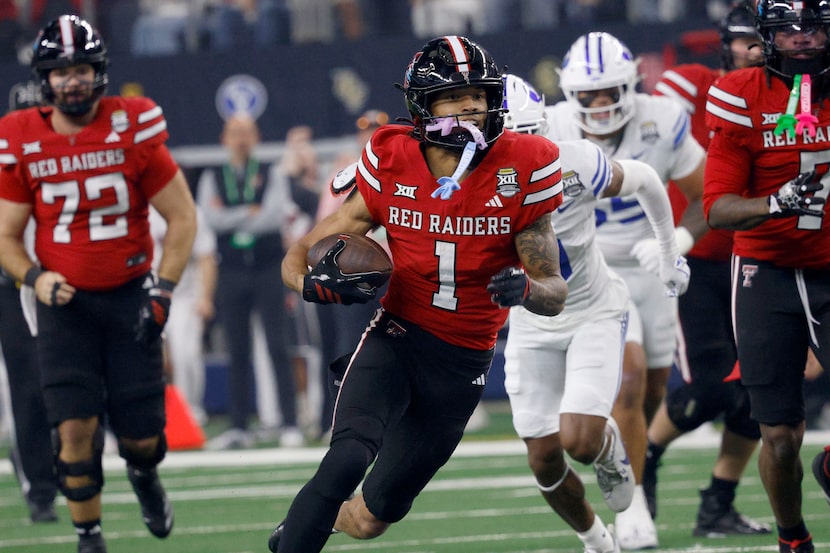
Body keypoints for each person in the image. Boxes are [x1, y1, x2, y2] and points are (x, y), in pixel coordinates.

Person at [269, 35, 569, 553]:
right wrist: (311, 286)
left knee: (373, 517)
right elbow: (297, 257)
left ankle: (311, 526)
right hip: (396, 339)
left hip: (462, 366)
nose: (471, 105)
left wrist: (526, 288)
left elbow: (555, 291)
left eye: (477, 93)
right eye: (454, 96)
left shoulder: (524, 163)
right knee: (344, 460)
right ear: (423, 105)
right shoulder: (392, 157)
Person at [0, 14, 197, 553]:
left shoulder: (131, 125)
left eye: (82, 68)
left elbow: (182, 216)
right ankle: (90, 538)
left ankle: (143, 475)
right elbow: (6, 236)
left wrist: (164, 288)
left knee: (142, 439)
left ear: (100, 72)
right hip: (64, 304)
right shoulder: (22, 137)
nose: (72, 81)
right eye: (61, 71)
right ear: (44, 79)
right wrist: (35, 278)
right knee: (74, 430)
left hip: (130, 294)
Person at [501, 73, 690, 553]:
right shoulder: (457, 189)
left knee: (581, 441)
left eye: (531, 135)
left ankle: (609, 449)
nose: (525, 152)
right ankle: (595, 539)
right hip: (531, 323)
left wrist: (670, 252)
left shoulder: (573, 160)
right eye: (510, 140)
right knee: (543, 457)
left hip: (592, 310)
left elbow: (646, 180)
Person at [549, 31, 709, 549]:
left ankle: (636, 470)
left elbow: (708, 195)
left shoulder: (660, 119)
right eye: (588, 95)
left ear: (631, 84)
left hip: (651, 265)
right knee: (630, 379)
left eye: (608, 92)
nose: (598, 105)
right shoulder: (549, 126)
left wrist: (676, 241)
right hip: (591, 271)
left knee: (654, 389)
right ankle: (633, 503)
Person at [703, 1, 830, 552]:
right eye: (789, 30)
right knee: (778, 435)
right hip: (766, 268)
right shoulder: (739, 93)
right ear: (767, 35)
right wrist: (776, 200)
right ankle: (792, 540)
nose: (802, 40)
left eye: (815, 28)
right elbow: (718, 208)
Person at [644, 2, 772, 540]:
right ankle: (643, 456)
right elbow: (653, 110)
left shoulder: (787, 98)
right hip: (692, 258)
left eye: (759, 41)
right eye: (745, 41)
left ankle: (718, 503)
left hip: (757, 256)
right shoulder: (694, 84)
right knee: (711, 393)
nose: (752, 51)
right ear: (726, 43)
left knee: (762, 392)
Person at [197, 112, 304, 449]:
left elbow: (272, 217)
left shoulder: (270, 171)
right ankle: (239, 426)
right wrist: (249, 214)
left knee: (277, 344)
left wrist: (236, 218)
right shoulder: (213, 175)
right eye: (234, 132)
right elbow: (210, 219)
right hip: (230, 269)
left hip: (267, 267)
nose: (241, 138)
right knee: (237, 347)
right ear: (224, 139)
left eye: (246, 132)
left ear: (256, 137)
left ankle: (290, 423)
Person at [0, 79, 57, 524]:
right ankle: (40, 486)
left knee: (73, 383)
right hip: (15, 284)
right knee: (28, 387)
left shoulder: (70, 152)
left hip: (67, 282)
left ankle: (73, 469)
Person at [149, 205, 217, 425]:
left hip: (183, 295)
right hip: (145, 293)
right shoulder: (138, 210)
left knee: (186, 354)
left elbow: (206, 257)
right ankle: (150, 416)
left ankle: (189, 413)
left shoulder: (191, 212)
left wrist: (205, 297)